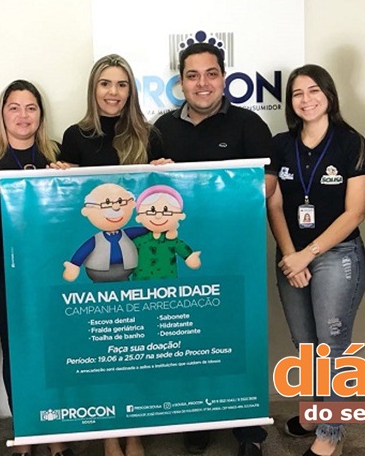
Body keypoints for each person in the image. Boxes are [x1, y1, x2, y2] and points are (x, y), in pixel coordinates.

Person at [152, 42, 273, 456]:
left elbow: (267, 185)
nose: (202, 83)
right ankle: (197, 420)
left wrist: (205, 189)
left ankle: (249, 432)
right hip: (179, 258)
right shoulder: (161, 128)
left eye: (210, 74)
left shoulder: (249, 124)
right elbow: (148, 193)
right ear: (181, 82)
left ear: (223, 77)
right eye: (192, 75)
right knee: (188, 339)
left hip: (236, 253)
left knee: (239, 339)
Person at [266, 65, 365, 456]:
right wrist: (291, 255)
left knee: (332, 347)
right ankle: (312, 413)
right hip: (291, 254)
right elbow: (273, 203)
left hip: (337, 255)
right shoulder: (281, 144)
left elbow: (354, 212)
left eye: (314, 91)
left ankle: (330, 435)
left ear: (329, 95)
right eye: (297, 93)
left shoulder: (351, 142)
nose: (306, 99)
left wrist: (308, 254)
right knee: (305, 344)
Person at [55, 53, 155, 456]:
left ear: (131, 91)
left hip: (137, 263)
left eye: (121, 84)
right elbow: (70, 207)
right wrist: (58, 178)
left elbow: (157, 200)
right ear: (93, 89)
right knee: (103, 350)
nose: (113, 92)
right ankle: (110, 435)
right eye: (105, 83)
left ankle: (135, 433)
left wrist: (167, 169)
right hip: (96, 270)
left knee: (137, 350)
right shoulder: (75, 136)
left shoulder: (150, 135)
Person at [0, 80, 71, 456]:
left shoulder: (57, 154)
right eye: (14, 107)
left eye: (30, 107)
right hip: (3, 275)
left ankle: (56, 437)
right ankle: (25, 433)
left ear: (41, 113)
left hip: (53, 275)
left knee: (53, 351)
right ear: (2, 112)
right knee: (19, 352)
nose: (23, 115)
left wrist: (68, 177)